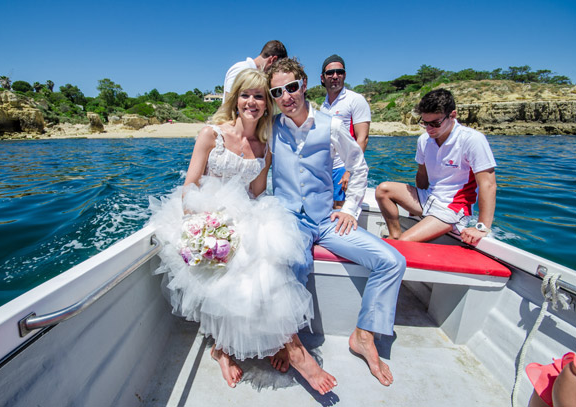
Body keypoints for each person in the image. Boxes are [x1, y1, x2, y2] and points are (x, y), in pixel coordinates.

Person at [148, 69, 334, 394]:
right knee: (238, 257)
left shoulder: (265, 145)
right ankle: (277, 349)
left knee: (267, 251)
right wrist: (209, 223)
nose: (252, 102)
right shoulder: (211, 134)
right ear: (235, 100)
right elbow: (189, 186)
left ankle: (265, 343)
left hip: (242, 214)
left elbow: (257, 194)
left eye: (259, 96)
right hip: (202, 215)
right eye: (246, 95)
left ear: (266, 105)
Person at [267, 57, 406, 387]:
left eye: (291, 87)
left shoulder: (330, 125)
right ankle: (290, 342)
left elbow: (358, 168)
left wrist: (350, 210)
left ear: (303, 84)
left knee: (391, 260)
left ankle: (363, 334)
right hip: (290, 218)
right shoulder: (269, 126)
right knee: (291, 263)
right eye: (277, 91)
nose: (286, 96)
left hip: (326, 218)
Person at [375, 88, 497, 245]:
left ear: (452, 115)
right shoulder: (424, 140)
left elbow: (488, 184)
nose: (429, 129)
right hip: (429, 198)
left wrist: (481, 227)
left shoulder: (472, 140)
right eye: (425, 123)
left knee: (405, 242)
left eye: (435, 123)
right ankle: (395, 235)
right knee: (383, 189)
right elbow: (422, 175)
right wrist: (414, 208)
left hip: (453, 208)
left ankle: (400, 242)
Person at [319, 54, 371, 209]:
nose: (335, 76)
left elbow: (363, 138)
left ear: (344, 75)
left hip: (343, 166)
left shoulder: (355, 100)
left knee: (340, 209)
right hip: (328, 167)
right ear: (323, 78)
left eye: (339, 72)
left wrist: (349, 170)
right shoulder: (323, 107)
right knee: (328, 208)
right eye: (330, 73)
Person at [222, 40, 287, 103]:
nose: (275, 72)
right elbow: (229, 101)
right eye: (277, 67)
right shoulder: (241, 69)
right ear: (273, 60)